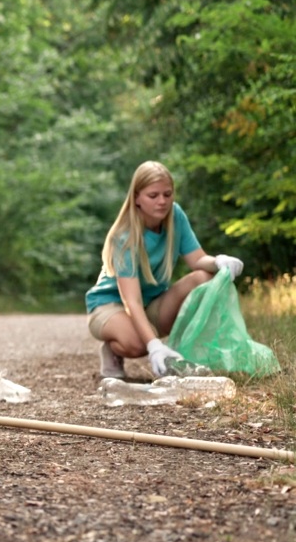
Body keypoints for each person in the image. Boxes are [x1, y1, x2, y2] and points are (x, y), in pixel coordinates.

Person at [85, 161, 244, 380]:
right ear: (137, 198)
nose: (162, 201)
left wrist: (218, 262)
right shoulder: (124, 236)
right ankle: (113, 349)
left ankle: (188, 350)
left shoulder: (175, 216)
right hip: (109, 306)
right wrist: (154, 345)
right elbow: (132, 302)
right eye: (153, 196)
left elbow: (198, 260)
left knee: (204, 278)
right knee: (138, 343)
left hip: (151, 303)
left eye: (167, 194)